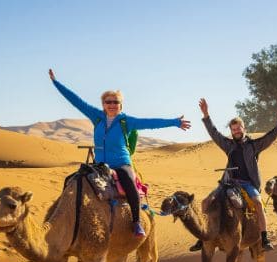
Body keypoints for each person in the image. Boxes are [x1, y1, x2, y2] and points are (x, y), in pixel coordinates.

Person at [49, 68, 191, 237]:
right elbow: (75, 100)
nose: (112, 105)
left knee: (129, 184)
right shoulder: (97, 116)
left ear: (120, 105)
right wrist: (55, 82)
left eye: (115, 102)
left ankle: (137, 221)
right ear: (103, 104)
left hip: (121, 163)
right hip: (100, 164)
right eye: (108, 102)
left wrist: (175, 122)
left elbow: (150, 123)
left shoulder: (126, 121)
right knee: (72, 180)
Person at [192, 98, 277, 252]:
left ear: (244, 128)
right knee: (205, 203)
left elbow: (270, 137)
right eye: (233, 130)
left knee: (259, 204)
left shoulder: (253, 146)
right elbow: (214, 133)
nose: (236, 131)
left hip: (248, 184)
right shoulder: (229, 145)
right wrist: (206, 115)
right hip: (228, 183)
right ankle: (204, 236)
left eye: (238, 128)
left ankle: (264, 237)